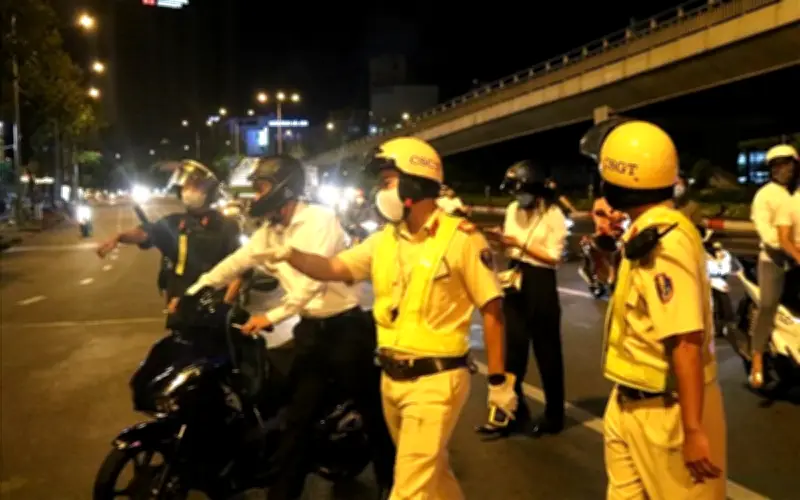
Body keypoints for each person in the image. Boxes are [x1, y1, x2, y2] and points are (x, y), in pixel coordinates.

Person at [257, 137, 517, 500]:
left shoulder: (461, 239)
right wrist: (290, 254)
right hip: (392, 380)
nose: (380, 192)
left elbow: (492, 309)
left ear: (415, 183)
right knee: (435, 479)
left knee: (407, 489)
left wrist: (499, 381)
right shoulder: (384, 241)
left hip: (436, 381)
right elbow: (333, 268)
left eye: (387, 182)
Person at [183, 155, 395, 500]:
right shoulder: (270, 231)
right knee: (297, 422)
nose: (256, 195)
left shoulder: (320, 220)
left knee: (373, 410)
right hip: (311, 332)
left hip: (346, 331)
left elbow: (313, 282)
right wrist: (198, 289)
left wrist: (272, 316)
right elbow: (238, 261)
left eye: (261, 187)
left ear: (283, 187)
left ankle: (391, 482)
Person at [580, 118, 726, 499]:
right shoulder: (641, 232)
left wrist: (693, 430)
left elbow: (686, 340)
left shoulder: (665, 241)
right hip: (628, 403)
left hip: (668, 414)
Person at [478, 160, 568, 437]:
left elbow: (554, 258)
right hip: (514, 279)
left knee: (547, 352)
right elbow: (509, 248)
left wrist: (519, 245)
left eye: (522, 192)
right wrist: (500, 242)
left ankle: (554, 415)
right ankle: (512, 412)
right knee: (513, 351)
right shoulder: (512, 210)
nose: (519, 198)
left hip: (541, 282)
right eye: (515, 193)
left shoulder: (553, 214)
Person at [96, 160, 240, 312]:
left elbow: (239, 271)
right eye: (186, 186)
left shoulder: (226, 226)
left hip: (214, 304)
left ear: (209, 191)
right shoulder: (174, 222)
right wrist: (119, 237)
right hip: (179, 304)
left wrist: (225, 306)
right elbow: (145, 233)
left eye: (194, 186)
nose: (188, 191)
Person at [749, 144, 799, 388]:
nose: (783, 170)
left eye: (787, 164)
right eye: (777, 166)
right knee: (768, 305)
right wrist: (791, 249)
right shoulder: (765, 195)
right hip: (774, 260)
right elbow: (768, 234)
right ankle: (757, 358)